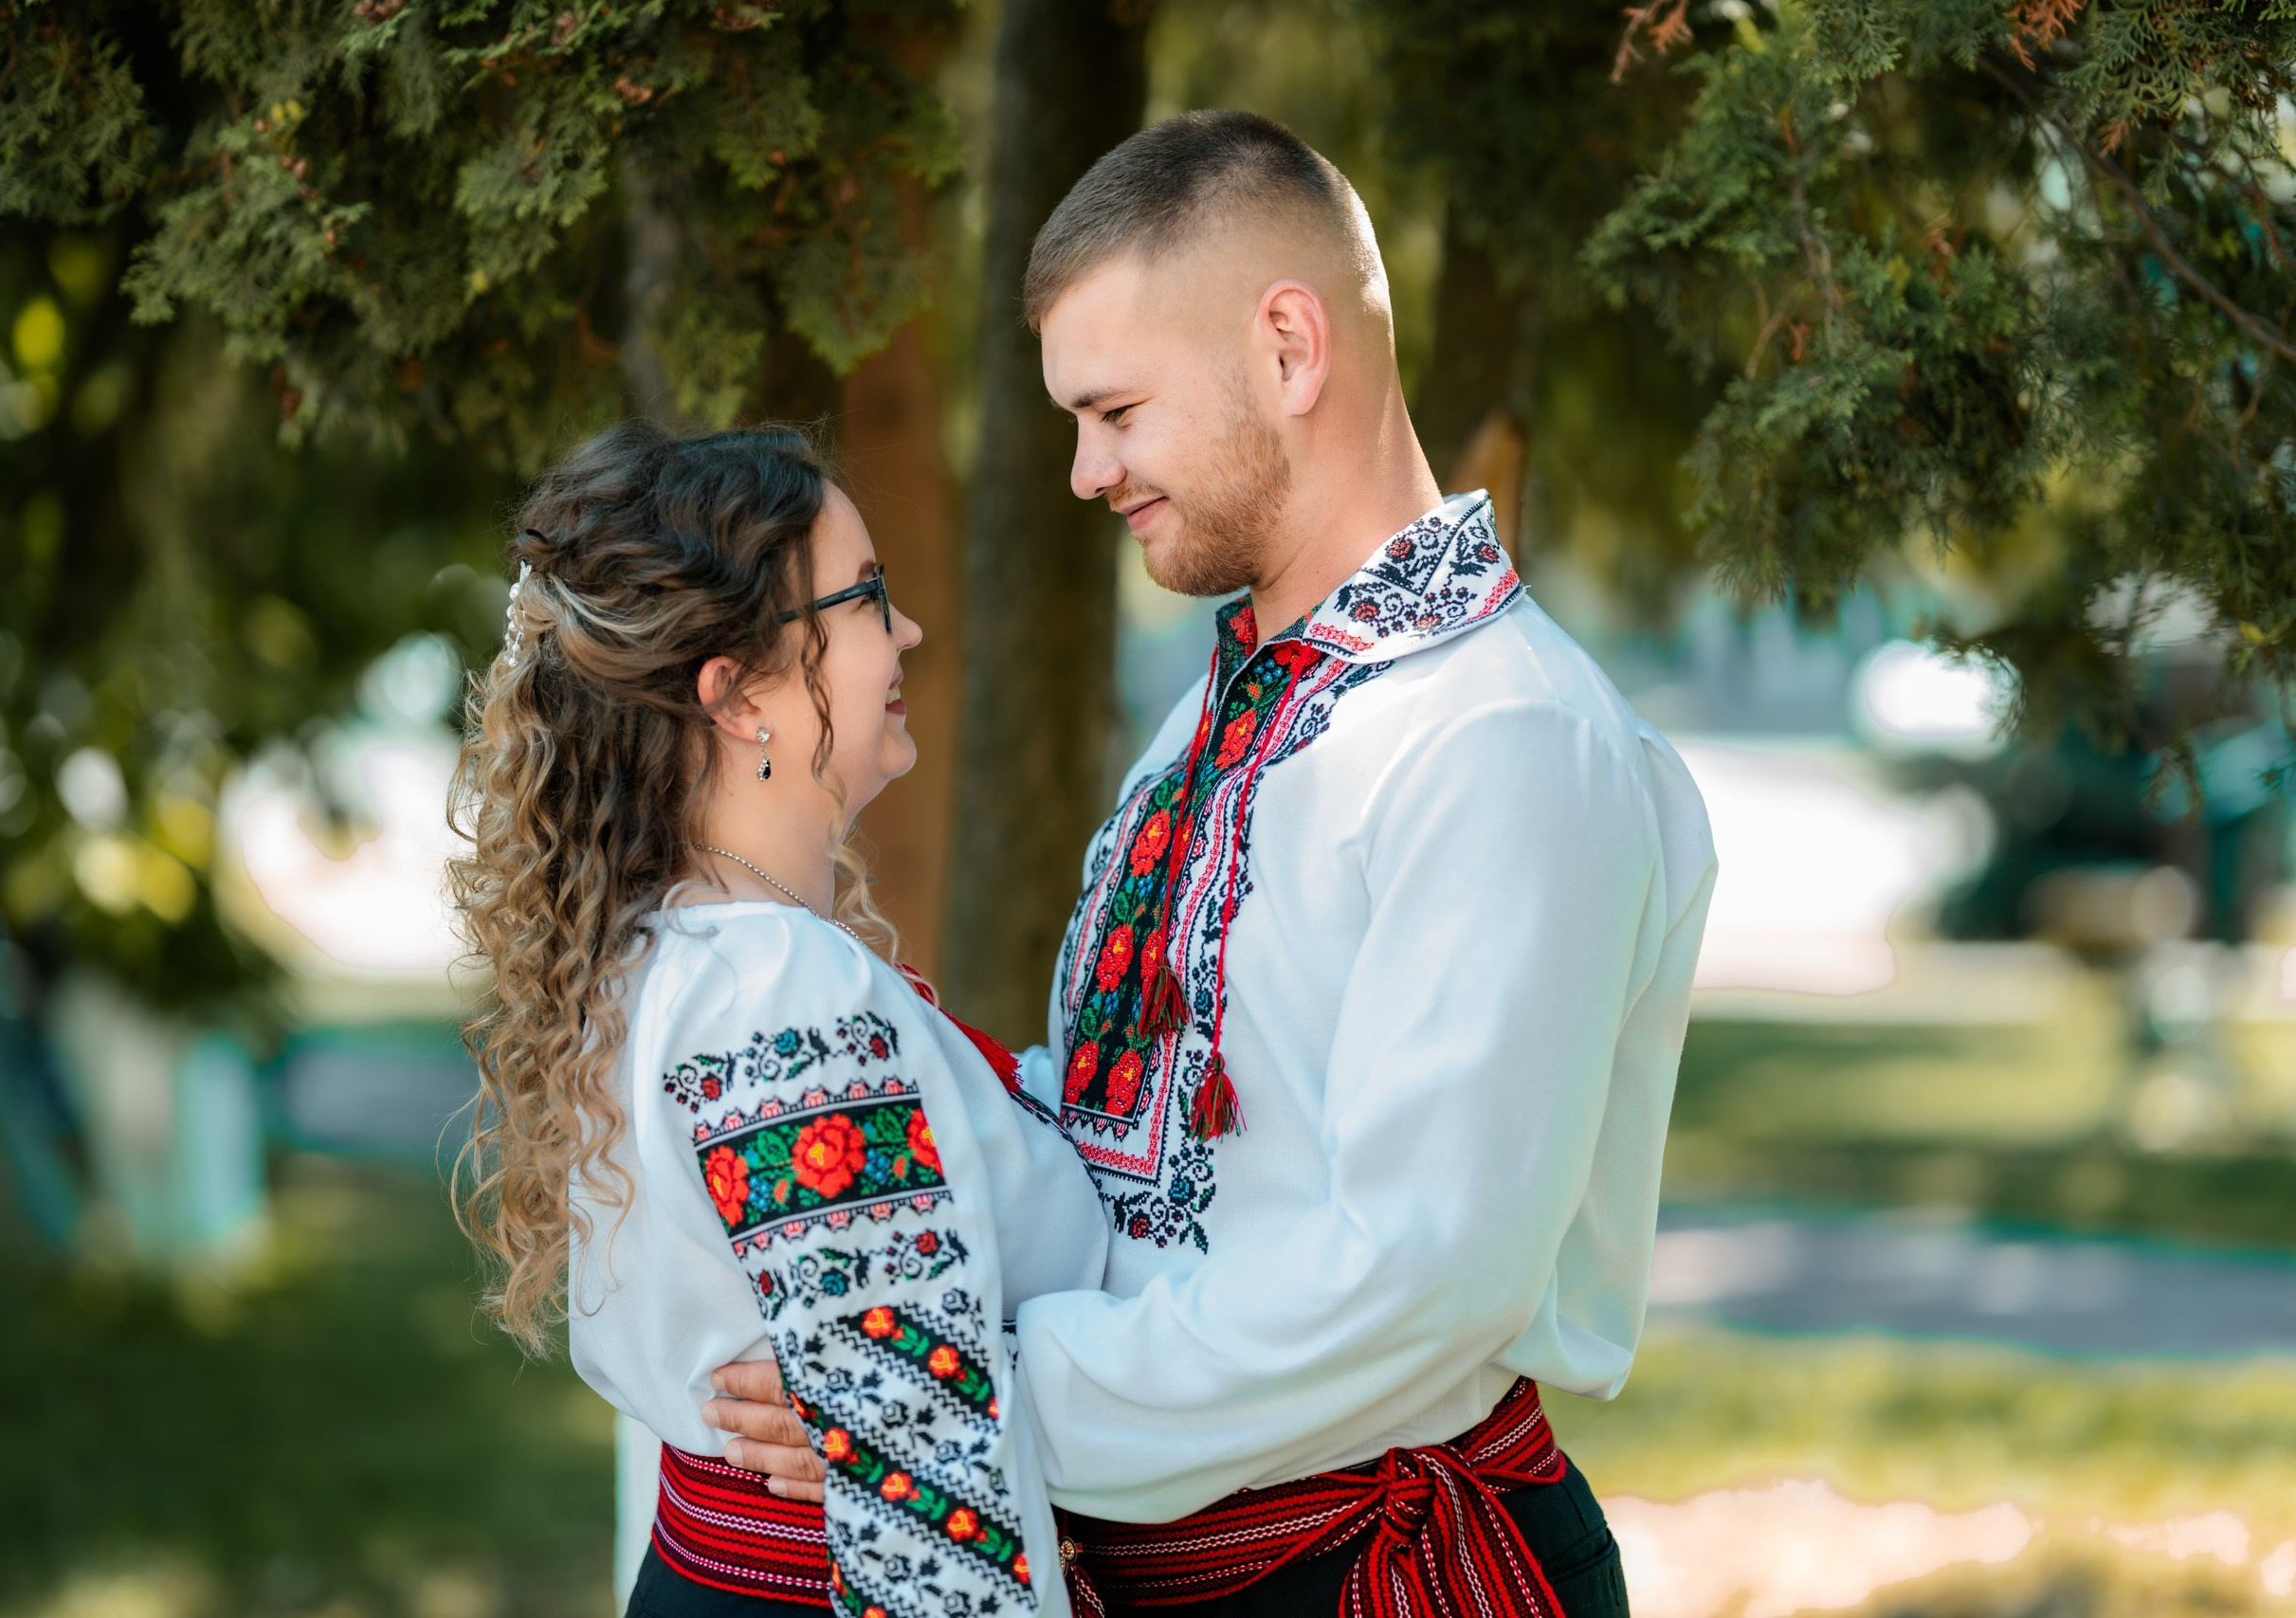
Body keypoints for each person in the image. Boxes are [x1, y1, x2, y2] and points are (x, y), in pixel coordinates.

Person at [716, 111, 1718, 1618]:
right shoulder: (1226, 707)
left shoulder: (1503, 734)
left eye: (1115, 409)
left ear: (1289, 349)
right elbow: (1131, 1128)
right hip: (1155, 1549)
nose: (1085, 470)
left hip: (1365, 1570)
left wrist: (951, 1400)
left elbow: (1419, 1275)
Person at [448, 421, 1107, 1618]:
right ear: (740, 692)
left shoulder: (665, 956)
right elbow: (925, 1519)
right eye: (867, 598)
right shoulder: (774, 994)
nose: (907, 632)